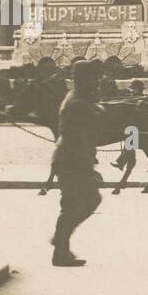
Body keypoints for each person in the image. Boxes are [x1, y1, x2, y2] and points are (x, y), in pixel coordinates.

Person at [50, 59, 103, 267]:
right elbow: (80, 140)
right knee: (77, 203)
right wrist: (89, 168)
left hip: (70, 159)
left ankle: (60, 241)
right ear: (83, 80)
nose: (97, 83)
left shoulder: (78, 98)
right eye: (94, 79)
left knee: (86, 201)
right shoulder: (77, 103)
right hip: (71, 160)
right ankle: (60, 248)